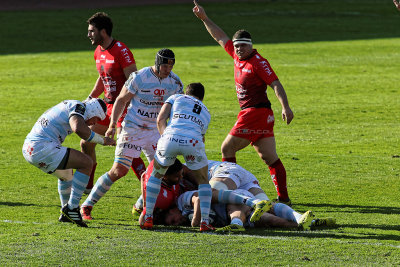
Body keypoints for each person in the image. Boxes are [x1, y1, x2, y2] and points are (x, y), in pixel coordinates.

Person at [193, 0, 294, 205]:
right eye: (236, 46)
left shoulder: (258, 62)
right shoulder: (237, 57)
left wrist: (285, 106)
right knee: (269, 157)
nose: (238, 49)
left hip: (254, 113)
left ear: (251, 46)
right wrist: (204, 18)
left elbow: (275, 84)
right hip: (260, 115)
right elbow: (220, 36)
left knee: (226, 149)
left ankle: (228, 192)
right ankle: (284, 198)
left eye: (242, 46)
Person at [80, 48, 184, 220]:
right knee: (119, 170)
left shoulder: (175, 82)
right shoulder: (140, 77)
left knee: (162, 172)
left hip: (155, 131)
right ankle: (86, 206)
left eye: (171, 66)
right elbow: (121, 99)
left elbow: (178, 107)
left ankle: (141, 206)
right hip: (133, 128)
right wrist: (112, 124)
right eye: (165, 66)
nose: (168, 70)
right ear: (158, 64)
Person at [22, 99, 115, 227]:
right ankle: (72, 208)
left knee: (66, 174)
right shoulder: (78, 107)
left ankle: (65, 212)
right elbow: (78, 128)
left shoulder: (74, 105)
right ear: (92, 111)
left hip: (30, 148)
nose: (95, 123)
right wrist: (103, 141)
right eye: (96, 118)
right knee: (87, 163)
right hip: (41, 147)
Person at [82, 12, 144, 193]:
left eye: (91, 31)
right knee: (86, 142)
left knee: (126, 149)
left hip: (123, 107)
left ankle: (148, 184)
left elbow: (134, 82)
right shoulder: (98, 52)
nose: (88, 35)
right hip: (106, 106)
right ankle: (87, 186)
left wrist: (130, 108)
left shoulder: (121, 50)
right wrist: (91, 98)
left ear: (103, 31)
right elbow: (102, 78)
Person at [140, 82, 214, 231]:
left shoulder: (176, 97)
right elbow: (202, 137)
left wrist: (165, 138)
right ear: (202, 98)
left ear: (186, 93)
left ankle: (148, 217)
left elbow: (160, 119)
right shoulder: (206, 111)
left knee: (156, 175)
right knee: (203, 180)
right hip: (193, 142)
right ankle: (204, 222)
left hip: (170, 138)